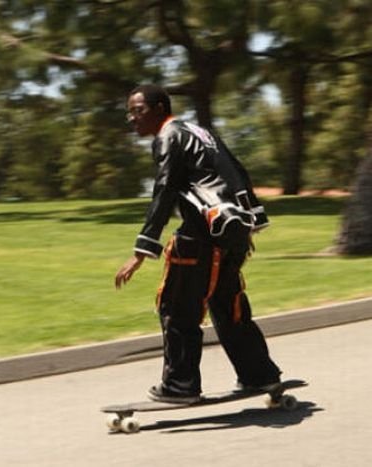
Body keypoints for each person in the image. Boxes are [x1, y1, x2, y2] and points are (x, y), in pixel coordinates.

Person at [115, 84, 282, 403]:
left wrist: (142, 250)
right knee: (228, 307)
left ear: (160, 108)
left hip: (199, 239)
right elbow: (238, 170)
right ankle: (260, 375)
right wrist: (253, 221)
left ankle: (180, 386)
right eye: (130, 112)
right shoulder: (199, 132)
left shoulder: (168, 136)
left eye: (138, 111)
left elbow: (164, 191)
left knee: (177, 308)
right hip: (231, 235)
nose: (132, 118)